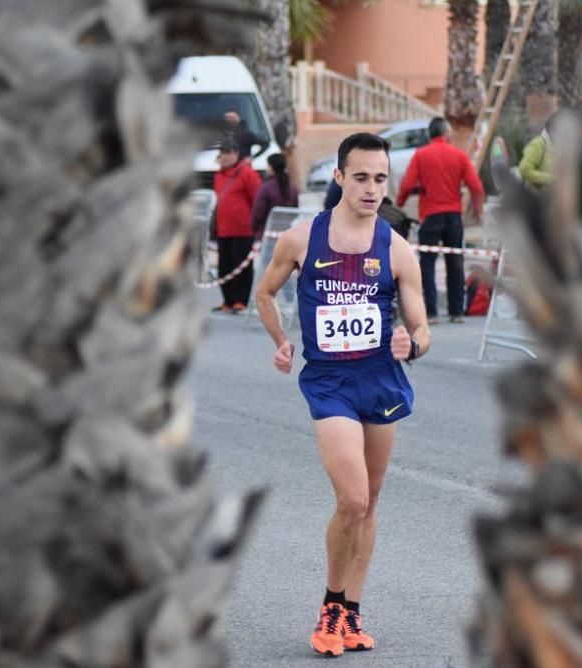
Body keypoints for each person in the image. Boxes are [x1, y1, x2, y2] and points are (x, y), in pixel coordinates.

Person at [254, 132, 431, 657]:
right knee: (351, 497)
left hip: (380, 381)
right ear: (338, 178)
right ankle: (331, 605)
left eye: (380, 178)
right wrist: (282, 341)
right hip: (329, 383)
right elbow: (264, 292)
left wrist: (411, 344)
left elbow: (422, 329)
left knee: (370, 502)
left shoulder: (397, 250)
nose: (372, 188)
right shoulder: (302, 239)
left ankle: (351, 615)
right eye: (361, 177)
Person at [397, 117, 485, 324]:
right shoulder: (460, 156)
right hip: (453, 217)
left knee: (427, 263)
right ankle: (456, 312)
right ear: (446, 134)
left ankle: (432, 312)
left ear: (430, 135)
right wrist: (478, 210)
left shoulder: (421, 155)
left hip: (430, 217)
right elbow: (476, 186)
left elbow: (407, 183)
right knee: (455, 262)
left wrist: (399, 203)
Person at [213, 137, 261, 313]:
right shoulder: (218, 175)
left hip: (243, 229)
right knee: (224, 266)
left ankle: (241, 300)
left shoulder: (248, 174)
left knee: (241, 266)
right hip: (223, 228)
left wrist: (255, 222)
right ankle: (228, 300)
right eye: (222, 153)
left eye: (228, 153)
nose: (224, 156)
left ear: (236, 154)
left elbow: (257, 199)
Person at [251, 153, 300, 239]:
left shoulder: (265, 188)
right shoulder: (292, 187)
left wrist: (255, 228)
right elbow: (295, 211)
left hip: (267, 233)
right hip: (286, 232)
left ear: (271, 167)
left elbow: (258, 212)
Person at [518, 113, 556, 192]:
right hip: (537, 199)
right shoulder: (538, 144)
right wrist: (550, 179)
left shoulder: (558, 146)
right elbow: (524, 170)